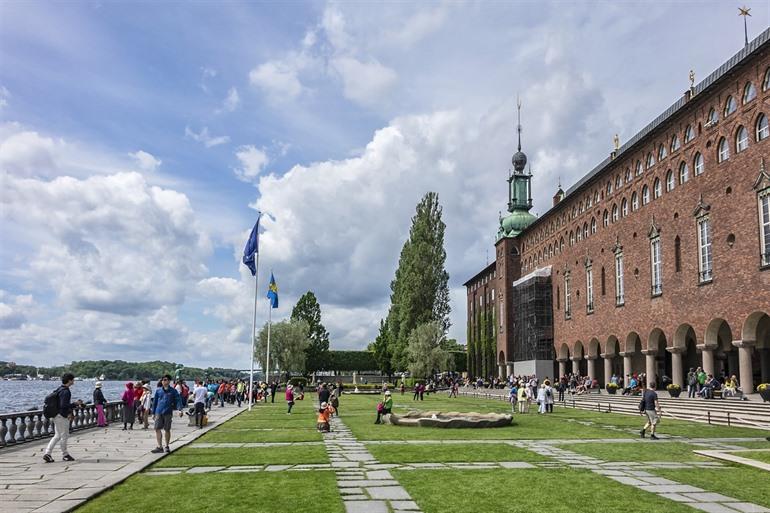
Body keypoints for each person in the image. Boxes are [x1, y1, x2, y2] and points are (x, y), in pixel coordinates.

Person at [43, 373, 79, 463]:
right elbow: (63, 405)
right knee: (64, 435)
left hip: (56, 415)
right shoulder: (66, 391)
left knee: (57, 435)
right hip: (62, 416)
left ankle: (48, 453)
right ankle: (65, 455)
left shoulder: (59, 389)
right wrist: (75, 404)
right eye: (73, 380)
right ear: (69, 380)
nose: (74, 381)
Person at [150, 374, 184, 454]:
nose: (164, 381)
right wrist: (153, 412)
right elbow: (155, 402)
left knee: (167, 429)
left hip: (168, 412)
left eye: (166, 380)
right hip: (158, 411)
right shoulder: (158, 391)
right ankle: (159, 446)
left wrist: (180, 410)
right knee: (157, 428)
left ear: (169, 381)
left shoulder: (173, 391)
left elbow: (178, 400)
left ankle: (167, 446)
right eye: (163, 380)